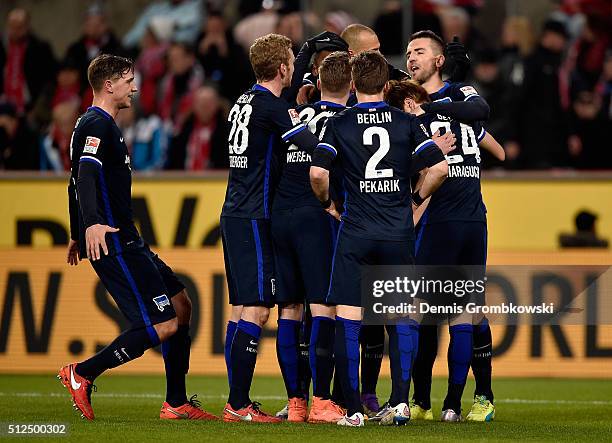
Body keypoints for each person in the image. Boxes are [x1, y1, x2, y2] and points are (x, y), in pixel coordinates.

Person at [58, 54, 217, 421]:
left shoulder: (97, 124)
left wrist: (75, 231)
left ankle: (176, 403)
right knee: (161, 324)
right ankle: (82, 372)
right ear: (109, 84)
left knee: (180, 306)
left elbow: (72, 185)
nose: (135, 87)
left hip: (127, 238)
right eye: (129, 80)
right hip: (114, 241)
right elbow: (83, 175)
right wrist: (93, 224)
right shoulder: (97, 124)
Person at [310, 50, 449, 427]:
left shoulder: (339, 123)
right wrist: (415, 198)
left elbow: (318, 174)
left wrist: (328, 205)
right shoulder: (406, 122)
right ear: (387, 85)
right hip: (396, 231)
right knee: (401, 316)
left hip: (356, 230)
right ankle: (401, 403)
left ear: (354, 85)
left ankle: (353, 409)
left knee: (349, 318)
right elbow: (439, 167)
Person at [220, 32, 343, 423]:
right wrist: (342, 149)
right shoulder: (273, 107)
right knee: (256, 311)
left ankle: (259, 401)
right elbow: (308, 143)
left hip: (238, 210)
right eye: (292, 60)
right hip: (256, 213)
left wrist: (305, 55)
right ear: (283, 68)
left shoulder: (244, 100)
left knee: (248, 308)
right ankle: (238, 404)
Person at [405, 30, 496, 422]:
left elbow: (481, 113)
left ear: (440, 61)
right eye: (408, 52)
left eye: (420, 52)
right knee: (458, 312)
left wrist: (432, 106)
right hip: (467, 217)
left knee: (436, 311)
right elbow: (497, 145)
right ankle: (443, 404)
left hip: (449, 218)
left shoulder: (454, 97)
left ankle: (443, 402)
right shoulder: (420, 102)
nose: (411, 58)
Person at [272, 51, 351, 424]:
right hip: (315, 218)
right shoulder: (347, 120)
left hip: (280, 215)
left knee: (288, 309)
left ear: (317, 83)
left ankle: (295, 403)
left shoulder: (294, 115)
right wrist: (332, 205)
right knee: (324, 307)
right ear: (351, 85)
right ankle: (321, 400)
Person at [0, 8, 57, 115]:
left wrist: (38, 108)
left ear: (27, 26)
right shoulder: (2, 46)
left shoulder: (40, 48)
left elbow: (49, 80)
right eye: (12, 26)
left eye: (19, 26)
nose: (15, 30)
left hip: (30, 106)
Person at [166, 85, 229, 170]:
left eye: (209, 102)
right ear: (194, 105)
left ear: (217, 104)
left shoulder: (228, 133)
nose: (205, 107)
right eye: (201, 102)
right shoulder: (182, 132)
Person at [123, 0, 203, 50]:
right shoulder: (155, 8)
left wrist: (159, 42)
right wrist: (144, 39)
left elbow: (187, 39)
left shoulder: (195, 8)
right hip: (142, 52)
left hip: (171, 55)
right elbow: (128, 40)